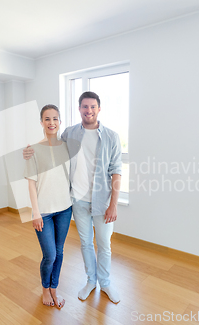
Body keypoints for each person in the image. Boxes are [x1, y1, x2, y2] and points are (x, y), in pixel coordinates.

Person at [24, 92, 122, 303]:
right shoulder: (70, 134)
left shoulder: (112, 137)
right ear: (79, 109)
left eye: (93, 106)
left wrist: (114, 204)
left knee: (104, 244)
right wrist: (28, 152)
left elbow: (116, 171)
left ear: (99, 109)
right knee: (86, 243)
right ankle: (90, 281)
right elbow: (49, 145)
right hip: (77, 200)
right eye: (85, 107)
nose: (89, 110)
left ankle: (105, 283)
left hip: (103, 201)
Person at [23, 104, 72, 308]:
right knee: (49, 255)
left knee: (59, 252)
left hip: (65, 209)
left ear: (60, 121)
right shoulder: (32, 150)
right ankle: (45, 289)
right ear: (42, 122)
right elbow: (31, 184)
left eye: (55, 119)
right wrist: (35, 212)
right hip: (43, 211)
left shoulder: (67, 147)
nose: (52, 123)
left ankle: (54, 287)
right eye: (47, 119)